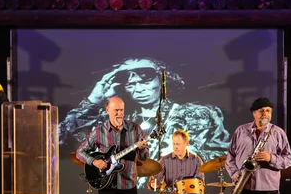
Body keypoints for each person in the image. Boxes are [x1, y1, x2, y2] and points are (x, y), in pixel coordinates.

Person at [59, 58, 230, 165]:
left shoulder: (199, 114)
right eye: (131, 84)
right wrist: (94, 99)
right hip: (131, 188)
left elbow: (222, 154)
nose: (139, 89)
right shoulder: (117, 120)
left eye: (145, 82)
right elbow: (64, 135)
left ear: (163, 81)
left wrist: (185, 154)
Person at [75, 96, 149, 194]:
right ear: (107, 110)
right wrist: (94, 162)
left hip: (128, 184)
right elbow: (79, 152)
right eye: (116, 110)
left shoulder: (135, 129)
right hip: (106, 185)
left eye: (122, 110)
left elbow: (144, 157)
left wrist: (142, 148)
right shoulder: (99, 131)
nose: (119, 113)